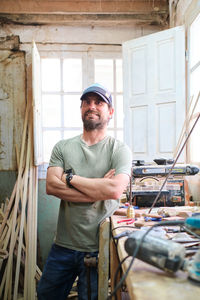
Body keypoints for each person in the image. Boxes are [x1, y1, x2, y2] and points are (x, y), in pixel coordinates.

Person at [37, 83, 132, 300]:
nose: (92, 106)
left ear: (110, 112)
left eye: (99, 102)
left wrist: (71, 178)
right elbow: (51, 186)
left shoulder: (119, 150)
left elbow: (115, 189)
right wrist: (98, 190)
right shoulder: (63, 147)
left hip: (98, 249)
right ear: (81, 109)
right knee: (45, 295)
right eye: (86, 102)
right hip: (63, 245)